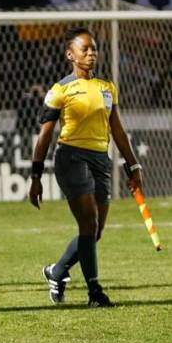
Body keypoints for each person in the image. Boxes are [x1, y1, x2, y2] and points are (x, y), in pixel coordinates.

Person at [30, 28, 141, 308]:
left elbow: (117, 130)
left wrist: (133, 164)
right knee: (88, 224)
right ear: (71, 54)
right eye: (85, 49)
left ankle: (56, 272)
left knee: (95, 231)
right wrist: (35, 175)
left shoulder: (107, 88)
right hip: (71, 158)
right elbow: (45, 135)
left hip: (100, 159)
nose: (91, 54)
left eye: (93, 49)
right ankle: (95, 292)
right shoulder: (60, 90)